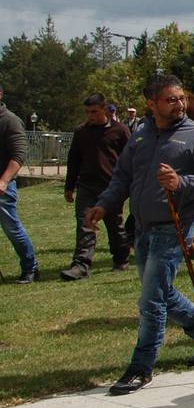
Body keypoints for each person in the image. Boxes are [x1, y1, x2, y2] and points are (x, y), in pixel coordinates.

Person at [86, 75, 194, 394]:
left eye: (181, 98)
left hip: (175, 225)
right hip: (143, 225)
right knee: (162, 293)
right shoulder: (140, 135)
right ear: (152, 104)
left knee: (151, 300)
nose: (179, 104)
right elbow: (122, 177)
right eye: (171, 99)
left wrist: (182, 183)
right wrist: (103, 206)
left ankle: (141, 367)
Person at [61, 93, 131, 280]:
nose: (90, 116)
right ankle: (81, 265)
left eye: (94, 112)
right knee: (85, 224)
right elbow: (74, 160)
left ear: (105, 110)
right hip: (86, 186)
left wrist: (129, 185)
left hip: (111, 186)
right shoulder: (81, 132)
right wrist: (69, 186)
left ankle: (121, 257)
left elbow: (131, 160)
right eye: (87, 112)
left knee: (114, 224)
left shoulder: (120, 131)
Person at [0, 82, 38, 283]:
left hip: (2, 188)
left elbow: (18, 155)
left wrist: (4, 180)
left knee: (12, 229)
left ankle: (30, 268)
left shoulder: (10, 121)